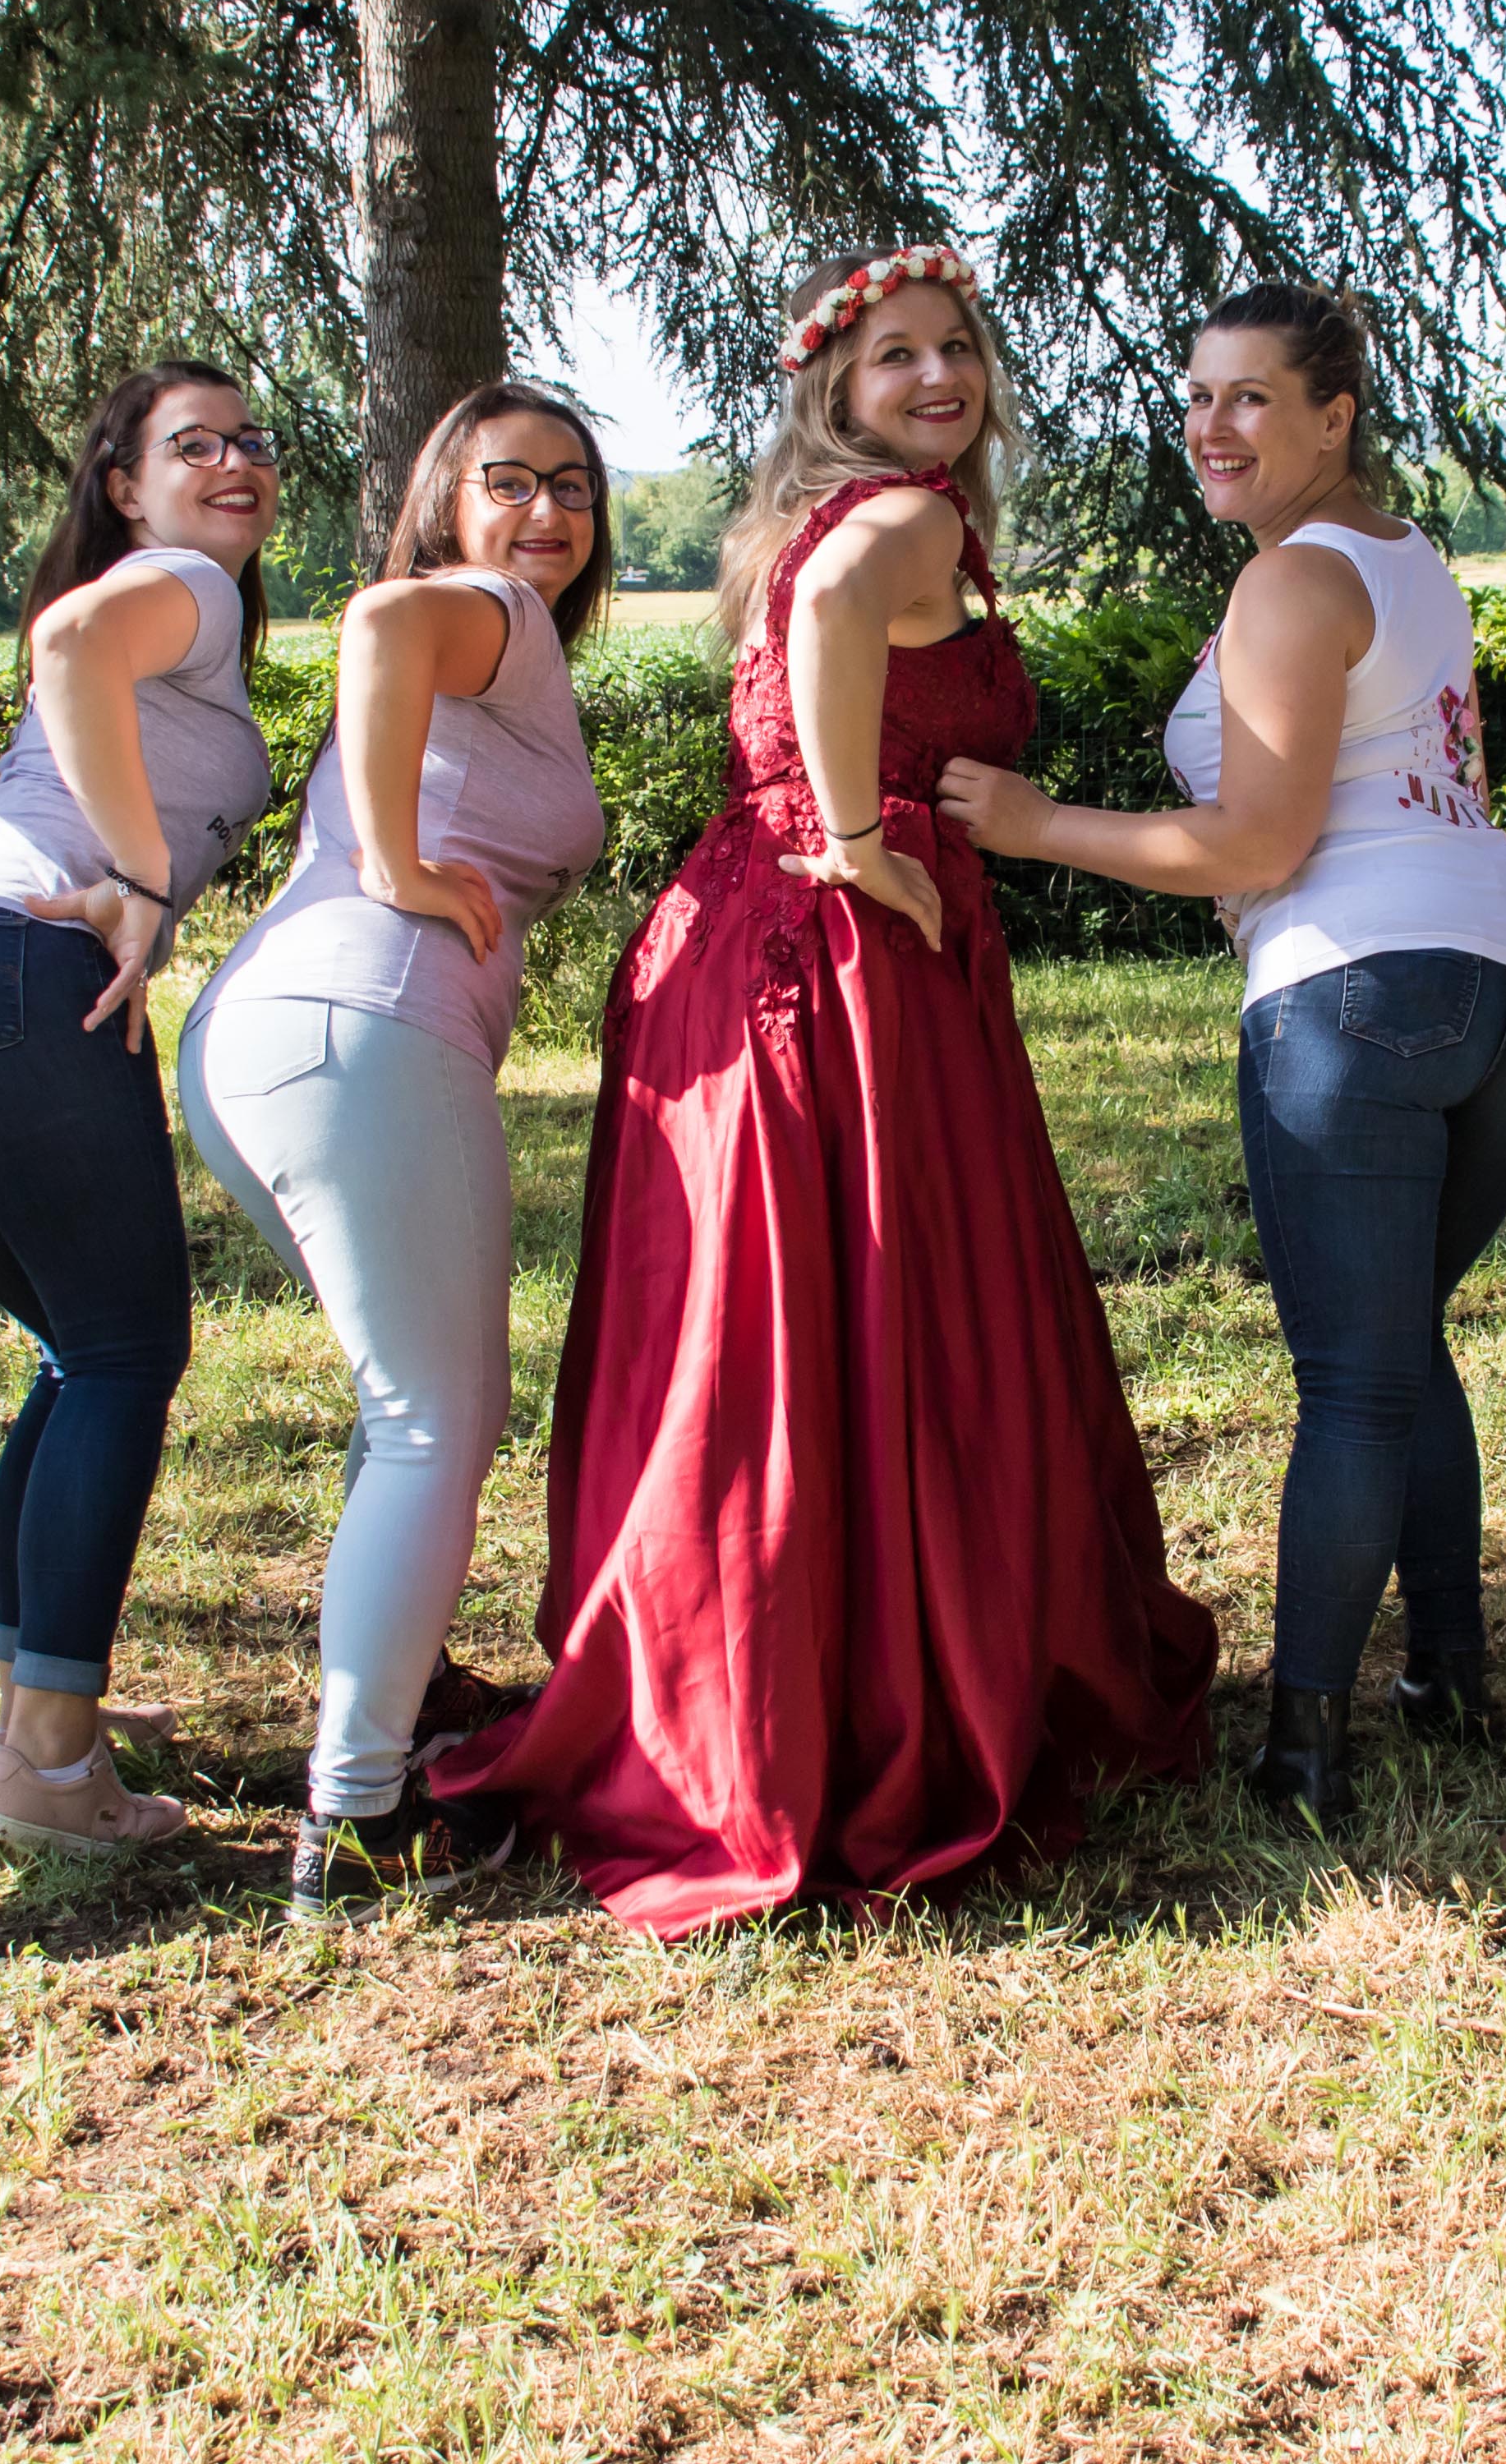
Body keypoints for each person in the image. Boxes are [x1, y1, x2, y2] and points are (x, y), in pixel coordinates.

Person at [438, 245, 1216, 1932]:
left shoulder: (817, 522)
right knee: (865, 1295)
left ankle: (754, 1685)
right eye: (898, 358)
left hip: (745, 931)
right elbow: (843, 614)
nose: (940, 379)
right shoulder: (900, 521)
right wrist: (861, 841)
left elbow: (815, 637)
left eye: (959, 349)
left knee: (765, 1315)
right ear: (838, 394)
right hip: (841, 947)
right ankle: (861, 1696)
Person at [937, 283, 1506, 1819]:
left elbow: (1262, 841)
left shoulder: (1291, 579)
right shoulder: (1408, 563)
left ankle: (1305, 1748)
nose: (1211, 427)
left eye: (1250, 398)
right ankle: (1449, 1678)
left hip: (1359, 995)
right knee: (1401, 1342)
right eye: (1198, 396)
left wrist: (1034, 825)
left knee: (1354, 1381)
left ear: (1334, 417)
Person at [0, 362, 277, 1859]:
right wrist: (144, 873)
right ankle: (43, 1764)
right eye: (192, 445)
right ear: (125, 489)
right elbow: (72, 640)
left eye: (251, 440)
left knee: (74, 1348)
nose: (235, 462)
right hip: (14, 978)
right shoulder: (182, 588)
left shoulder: (197, 610)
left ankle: (43, 1697)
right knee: (123, 1353)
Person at [182, 382, 612, 1918]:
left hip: (274, 1039)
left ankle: (409, 1705)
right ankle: (357, 1820)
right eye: (511, 481)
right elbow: (376, 627)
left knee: (409, 1403)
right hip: (362, 1030)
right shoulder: (485, 605)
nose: (549, 512)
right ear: (447, 501)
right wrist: (397, 860)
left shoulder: (513, 636)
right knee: (440, 1416)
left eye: (575, 485)